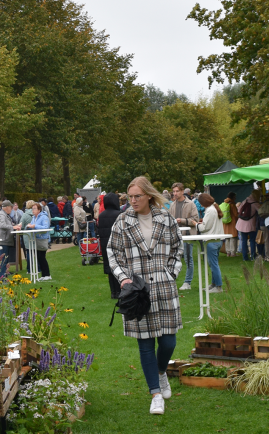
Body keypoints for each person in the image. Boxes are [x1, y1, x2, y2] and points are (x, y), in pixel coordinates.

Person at [107, 177, 183, 415]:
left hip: (164, 286)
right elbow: (112, 252)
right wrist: (124, 279)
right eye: (130, 197)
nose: (133, 201)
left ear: (149, 195)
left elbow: (177, 247)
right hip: (138, 292)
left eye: (137, 196)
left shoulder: (165, 218)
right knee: (146, 344)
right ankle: (155, 393)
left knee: (169, 341)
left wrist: (171, 273)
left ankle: (161, 373)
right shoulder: (122, 221)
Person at [169, 182, 199, 291]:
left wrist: (181, 220)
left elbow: (195, 220)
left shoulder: (190, 204)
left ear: (182, 191)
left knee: (188, 258)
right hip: (175, 236)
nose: (175, 193)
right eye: (174, 191)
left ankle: (188, 282)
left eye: (177, 191)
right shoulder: (172, 204)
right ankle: (171, 281)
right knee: (173, 259)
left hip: (187, 236)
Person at [195, 194, 225, 293]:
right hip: (217, 240)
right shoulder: (214, 208)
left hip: (211, 240)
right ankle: (214, 284)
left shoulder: (210, 210)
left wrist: (195, 224)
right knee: (213, 264)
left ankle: (219, 286)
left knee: (213, 264)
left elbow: (204, 228)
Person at [97, 192, 123, 299]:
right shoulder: (120, 214)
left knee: (110, 268)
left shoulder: (101, 215)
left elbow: (99, 230)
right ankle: (120, 290)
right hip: (118, 244)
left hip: (105, 244)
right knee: (119, 267)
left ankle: (113, 292)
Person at [27, 203, 52, 280]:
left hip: (43, 238)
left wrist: (35, 226)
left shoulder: (44, 217)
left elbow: (45, 227)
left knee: (42, 257)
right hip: (35, 239)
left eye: (34, 208)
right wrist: (28, 226)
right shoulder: (34, 217)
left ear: (39, 210)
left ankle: (47, 275)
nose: (33, 210)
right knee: (38, 257)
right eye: (32, 209)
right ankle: (43, 275)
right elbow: (31, 225)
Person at [236, 189, 261, 261]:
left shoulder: (244, 201)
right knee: (252, 241)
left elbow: (239, 210)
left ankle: (245, 257)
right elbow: (260, 211)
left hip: (241, 224)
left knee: (244, 241)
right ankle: (252, 256)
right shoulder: (255, 203)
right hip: (250, 224)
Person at [0, 201, 17, 279]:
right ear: (7, 207)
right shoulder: (1, 214)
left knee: (5, 259)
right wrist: (13, 227)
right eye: (11, 207)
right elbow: (2, 225)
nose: (11, 209)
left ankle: (4, 273)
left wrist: (13, 225)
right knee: (3, 260)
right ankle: (1, 276)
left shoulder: (5, 214)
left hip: (5, 239)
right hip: (3, 240)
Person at [221, 192, 239, 257]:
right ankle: (233, 253)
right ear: (233, 197)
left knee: (227, 238)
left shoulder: (224, 203)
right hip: (232, 222)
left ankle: (228, 252)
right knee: (233, 238)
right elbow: (236, 214)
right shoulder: (232, 204)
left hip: (225, 222)